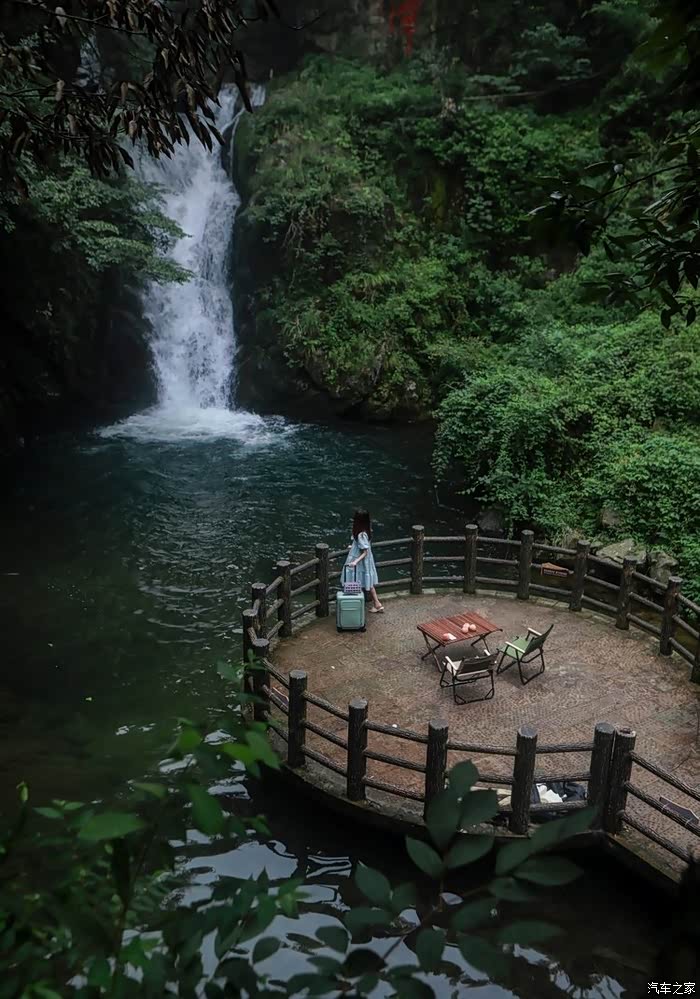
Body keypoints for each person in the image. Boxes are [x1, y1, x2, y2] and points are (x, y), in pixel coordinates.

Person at [345, 508, 384, 613]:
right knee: (368, 582)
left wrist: (355, 561)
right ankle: (377, 603)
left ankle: (372, 603)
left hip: (362, 562)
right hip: (366, 561)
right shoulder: (366, 531)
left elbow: (365, 551)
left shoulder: (361, 534)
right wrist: (353, 547)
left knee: (358, 580)